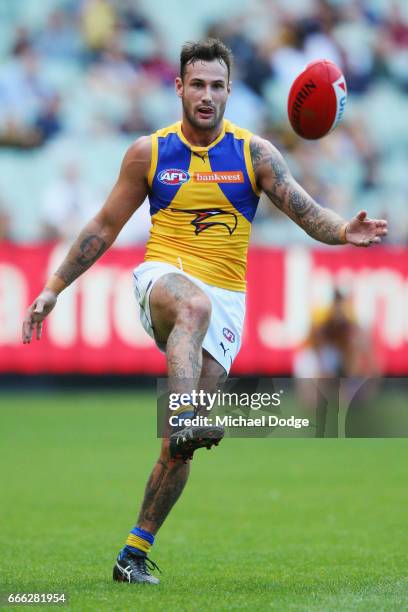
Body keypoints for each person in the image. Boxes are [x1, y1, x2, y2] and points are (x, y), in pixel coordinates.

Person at [22, 38, 388, 585]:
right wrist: (54, 286)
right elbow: (103, 226)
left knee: (178, 449)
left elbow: (307, 212)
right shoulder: (149, 153)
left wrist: (343, 231)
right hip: (163, 282)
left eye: (217, 85)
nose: (207, 95)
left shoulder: (255, 154)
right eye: (197, 84)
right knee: (190, 312)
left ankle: (134, 552)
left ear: (229, 91)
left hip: (227, 305)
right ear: (179, 88)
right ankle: (189, 413)